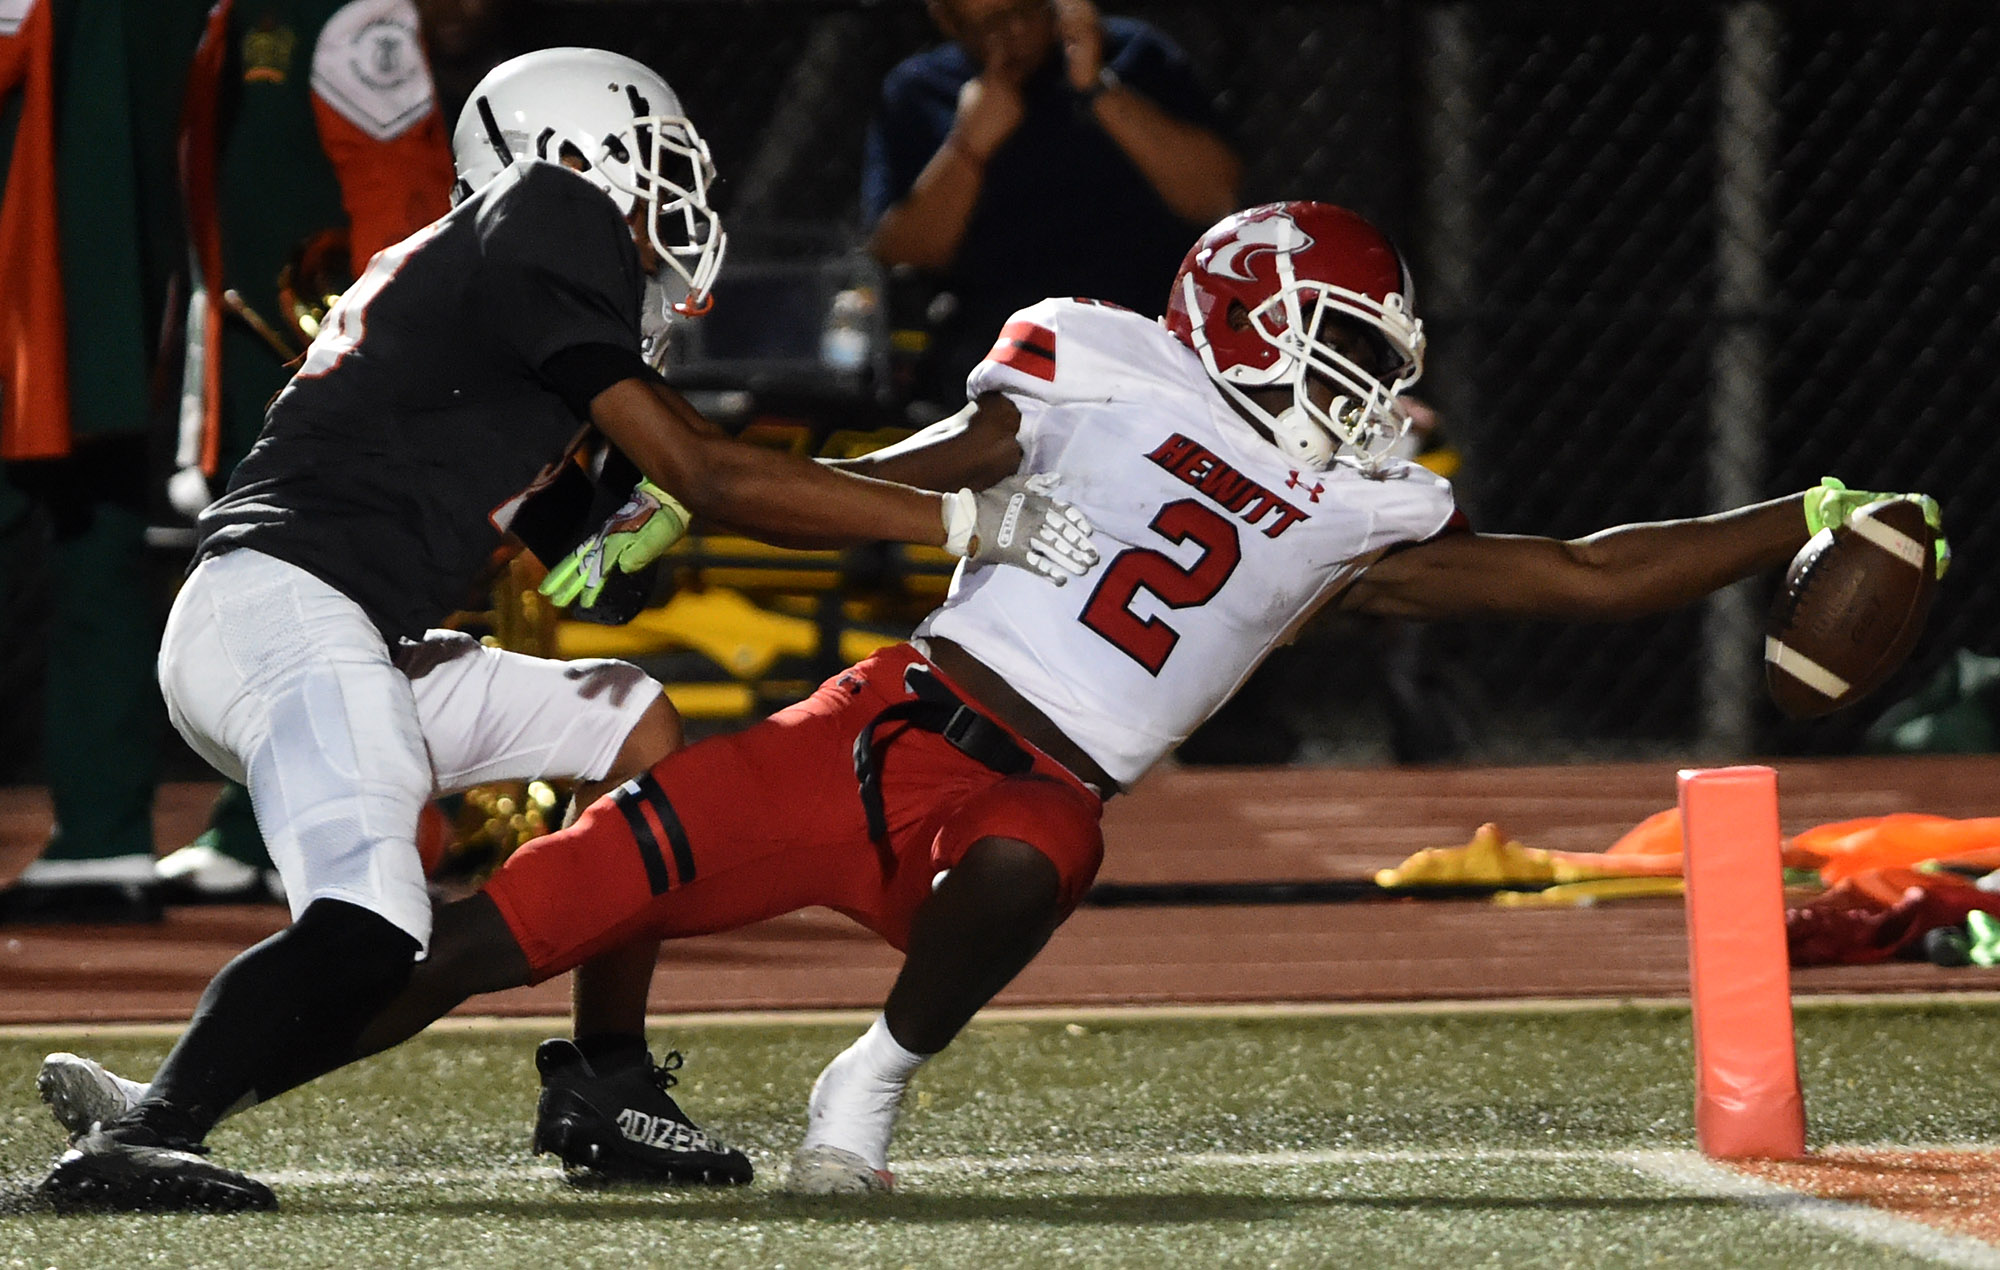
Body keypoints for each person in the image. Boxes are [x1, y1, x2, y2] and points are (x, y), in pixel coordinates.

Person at [38, 200, 1944, 1205]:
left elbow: (1587, 568)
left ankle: (867, 1085)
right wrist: (921, 483)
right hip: (882, 723)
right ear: (1260, 316)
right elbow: (971, 438)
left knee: (1042, 850)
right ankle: (189, 1101)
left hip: (1030, 789)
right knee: (493, 932)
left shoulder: (1362, 507)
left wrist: (1812, 510)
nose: (1378, 391)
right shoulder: (1102, 363)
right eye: (1353, 347)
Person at [32, 46, 1096, 1211]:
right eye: (650, 163)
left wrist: (646, 514)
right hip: (286, 606)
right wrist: (962, 517)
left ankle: (605, 1074)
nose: (667, 200)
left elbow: (600, 569)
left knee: (632, 720)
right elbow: (704, 470)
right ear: (576, 151)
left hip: (341, 622)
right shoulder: (544, 208)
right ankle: (144, 1136)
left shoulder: (495, 292)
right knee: (375, 922)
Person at [156, 0, 462, 903]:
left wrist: (392, 356)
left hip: (328, 360)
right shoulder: (243, 13)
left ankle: (351, 821)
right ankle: (267, 821)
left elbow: (399, 193)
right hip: (268, 351)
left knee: (330, 586)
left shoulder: (355, 14)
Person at [0, 0, 210, 924]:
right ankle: (105, 831)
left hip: (28, 298)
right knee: (103, 557)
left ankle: (104, 835)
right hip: (115, 299)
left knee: (99, 555)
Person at [863, 0, 1239, 403]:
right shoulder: (921, 89)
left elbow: (1214, 197)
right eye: (992, 24)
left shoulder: (1130, 53)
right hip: (1000, 360)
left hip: (1149, 344)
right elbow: (902, 249)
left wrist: (1098, 90)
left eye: (1026, 11)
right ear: (948, 21)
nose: (1016, 33)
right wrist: (968, 146)